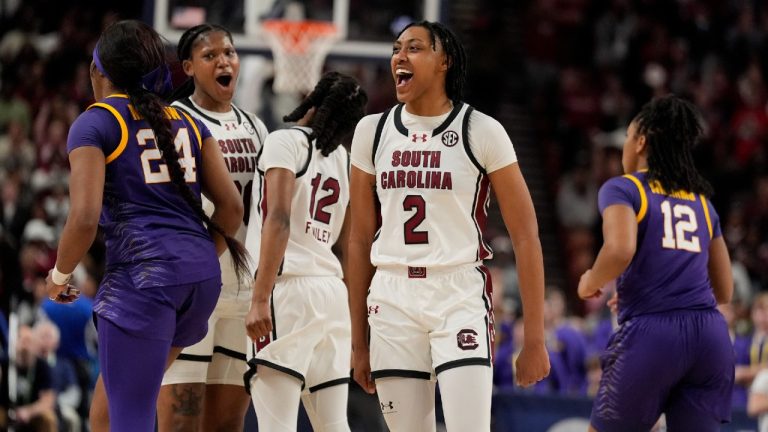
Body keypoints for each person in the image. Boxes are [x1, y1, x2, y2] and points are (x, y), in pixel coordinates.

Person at [347, 20, 550, 431]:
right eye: (396, 48)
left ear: (445, 61)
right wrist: (357, 341)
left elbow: (526, 236)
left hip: (458, 293)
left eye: (415, 48)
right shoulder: (372, 130)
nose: (400, 57)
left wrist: (535, 338)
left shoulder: (481, 130)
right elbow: (358, 238)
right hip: (391, 296)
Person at [44, 20, 246, 432]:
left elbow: (84, 218)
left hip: (142, 281)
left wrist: (58, 275)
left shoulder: (95, 121)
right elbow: (232, 208)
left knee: (130, 416)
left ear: (99, 71)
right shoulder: (189, 122)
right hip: (201, 280)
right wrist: (196, 259)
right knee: (115, 400)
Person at [577, 95, 734, 431]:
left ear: (641, 142)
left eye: (626, 139)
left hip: (654, 337)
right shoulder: (702, 202)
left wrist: (591, 280)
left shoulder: (624, 188)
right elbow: (725, 290)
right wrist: (644, 290)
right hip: (711, 340)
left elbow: (619, 251)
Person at [157, 23, 268, 432]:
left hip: (242, 291)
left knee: (227, 423)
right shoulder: (174, 121)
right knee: (180, 422)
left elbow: (265, 213)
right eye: (210, 56)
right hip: (193, 287)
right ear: (188, 67)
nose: (224, 61)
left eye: (229, 53)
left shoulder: (256, 127)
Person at [244, 71, 367, 432]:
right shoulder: (344, 161)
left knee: (276, 425)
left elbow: (278, 219)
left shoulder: (285, 142)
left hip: (287, 292)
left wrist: (259, 299)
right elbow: (348, 243)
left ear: (314, 102)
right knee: (333, 425)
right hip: (331, 292)